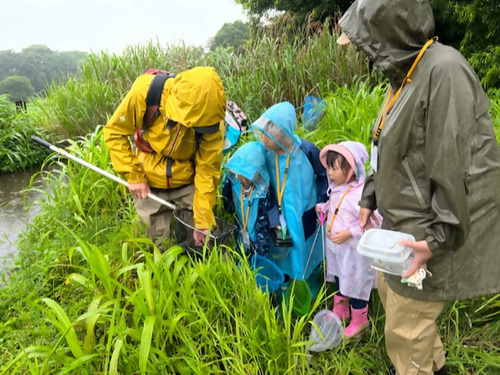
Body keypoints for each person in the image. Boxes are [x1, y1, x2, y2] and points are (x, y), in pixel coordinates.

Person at [337, 0, 500, 374]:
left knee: (407, 331)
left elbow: (453, 162)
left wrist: (438, 239)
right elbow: (388, 148)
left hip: (426, 231)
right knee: (401, 310)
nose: (364, 53)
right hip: (401, 226)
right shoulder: (404, 76)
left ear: (388, 33)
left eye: (367, 42)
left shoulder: (442, 70)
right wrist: (370, 195)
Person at [103, 66, 227, 247]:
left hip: (187, 180)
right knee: (158, 244)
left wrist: (203, 220)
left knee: (200, 240)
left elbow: (207, 170)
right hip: (149, 180)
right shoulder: (145, 93)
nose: (201, 131)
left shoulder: (212, 120)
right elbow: (115, 132)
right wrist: (134, 176)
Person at [251, 101, 328, 281]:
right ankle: (286, 282)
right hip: (279, 214)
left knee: (307, 249)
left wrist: (321, 200)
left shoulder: (307, 151)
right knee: (283, 250)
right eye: (263, 132)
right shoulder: (266, 154)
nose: (264, 138)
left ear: (285, 129)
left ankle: (308, 282)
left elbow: (323, 175)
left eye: (270, 131)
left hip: (305, 211)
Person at [316, 141, 380, 338]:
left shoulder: (361, 196)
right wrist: (324, 209)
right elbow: (337, 207)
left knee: (355, 284)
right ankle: (341, 309)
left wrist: (349, 233)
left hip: (354, 254)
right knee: (338, 276)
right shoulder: (337, 188)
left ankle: (360, 321)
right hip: (338, 250)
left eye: (335, 169)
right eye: (329, 168)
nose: (330, 173)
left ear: (351, 170)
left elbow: (373, 225)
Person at [221, 141, 276, 257]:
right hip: (240, 229)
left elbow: (264, 222)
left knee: (256, 260)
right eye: (239, 173)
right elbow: (226, 198)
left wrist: (262, 250)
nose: (241, 177)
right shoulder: (234, 181)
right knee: (240, 252)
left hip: (257, 237)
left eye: (246, 174)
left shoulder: (263, 191)